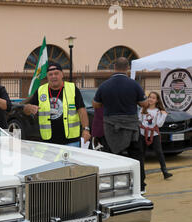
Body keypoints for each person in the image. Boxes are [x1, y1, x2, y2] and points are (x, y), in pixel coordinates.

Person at [92, 57, 149, 193]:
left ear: (114, 67)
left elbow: (95, 104)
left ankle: (110, 187)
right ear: (127, 68)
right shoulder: (134, 84)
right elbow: (144, 103)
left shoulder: (104, 85)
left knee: (111, 157)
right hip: (131, 128)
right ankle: (140, 186)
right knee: (136, 157)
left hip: (111, 128)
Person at [23, 62, 91, 147]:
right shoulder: (40, 90)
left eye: (56, 73)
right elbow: (26, 110)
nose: (53, 76)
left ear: (62, 74)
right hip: (48, 142)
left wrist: (86, 129)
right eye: (50, 74)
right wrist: (28, 108)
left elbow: (81, 110)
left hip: (71, 141)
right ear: (47, 76)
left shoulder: (72, 88)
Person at [139, 91, 172, 179]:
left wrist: (164, 115)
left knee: (159, 152)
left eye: (153, 98)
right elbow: (140, 120)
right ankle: (141, 174)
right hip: (143, 134)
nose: (151, 99)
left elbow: (159, 124)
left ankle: (165, 172)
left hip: (154, 135)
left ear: (157, 100)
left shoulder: (158, 111)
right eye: (150, 97)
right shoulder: (143, 109)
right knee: (141, 153)